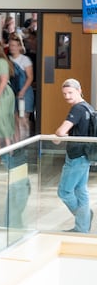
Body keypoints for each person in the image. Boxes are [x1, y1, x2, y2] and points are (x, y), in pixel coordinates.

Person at [54, 79, 93, 233]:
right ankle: (82, 228)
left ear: (79, 90)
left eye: (70, 92)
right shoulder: (88, 107)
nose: (67, 96)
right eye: (64, 94)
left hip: (76, 156)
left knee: (64, 191)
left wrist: (57, 135)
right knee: (80, 190)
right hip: (86, 155)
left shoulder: (77, 109)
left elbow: (61, 131)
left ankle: (84, 218)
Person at [7, 34, 34, 140]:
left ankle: (26, 142)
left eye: (14, 45)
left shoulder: (25, 60)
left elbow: (30, 77)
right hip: (12, 91)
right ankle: (17, 143)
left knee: (23, 118)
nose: (12, 48)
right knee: (15, 119)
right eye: (10, 45)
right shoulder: (7, 59)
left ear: (19, 46)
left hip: (25, 92)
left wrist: (22, 91)